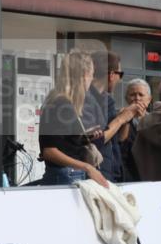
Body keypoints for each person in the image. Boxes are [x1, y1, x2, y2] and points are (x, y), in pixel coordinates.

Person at [37, 50, 109, 187]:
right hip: (65, 176)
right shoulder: (61, 104)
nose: (91, 80)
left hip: (64, 174)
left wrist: (83, 138)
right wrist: (87, 168)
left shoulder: (60, 101)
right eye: (91, 75)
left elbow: (60, 144)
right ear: (84, 75)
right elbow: (49, 151)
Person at [83, 51, 146, 182]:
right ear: (112, 75)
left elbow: (118, 140)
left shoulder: (108, 101)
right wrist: (121, 119)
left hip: (113, 172)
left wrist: (127, 119)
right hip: (96, 175)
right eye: (120, 74)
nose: (120, 79)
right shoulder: (85, 99)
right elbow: (95, 141)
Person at [117, 78, 151, 182]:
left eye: (141, 95)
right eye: (133, 95)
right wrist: (127, 119)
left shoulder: (154, 121)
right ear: (126, 98)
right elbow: (120, 145)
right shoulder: (118, 118)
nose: (137, 98)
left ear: (149, 99)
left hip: (149, 175)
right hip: (126, 176)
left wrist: (142, 121)